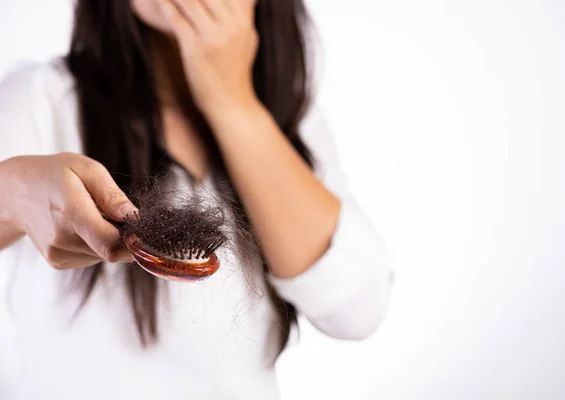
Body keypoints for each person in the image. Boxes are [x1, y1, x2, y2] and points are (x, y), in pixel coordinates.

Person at [0, 0, 393, 398]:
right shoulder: (40, 98)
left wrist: (231, 101)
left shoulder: (292, 121)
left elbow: (357, 308)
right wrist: (13, 190)